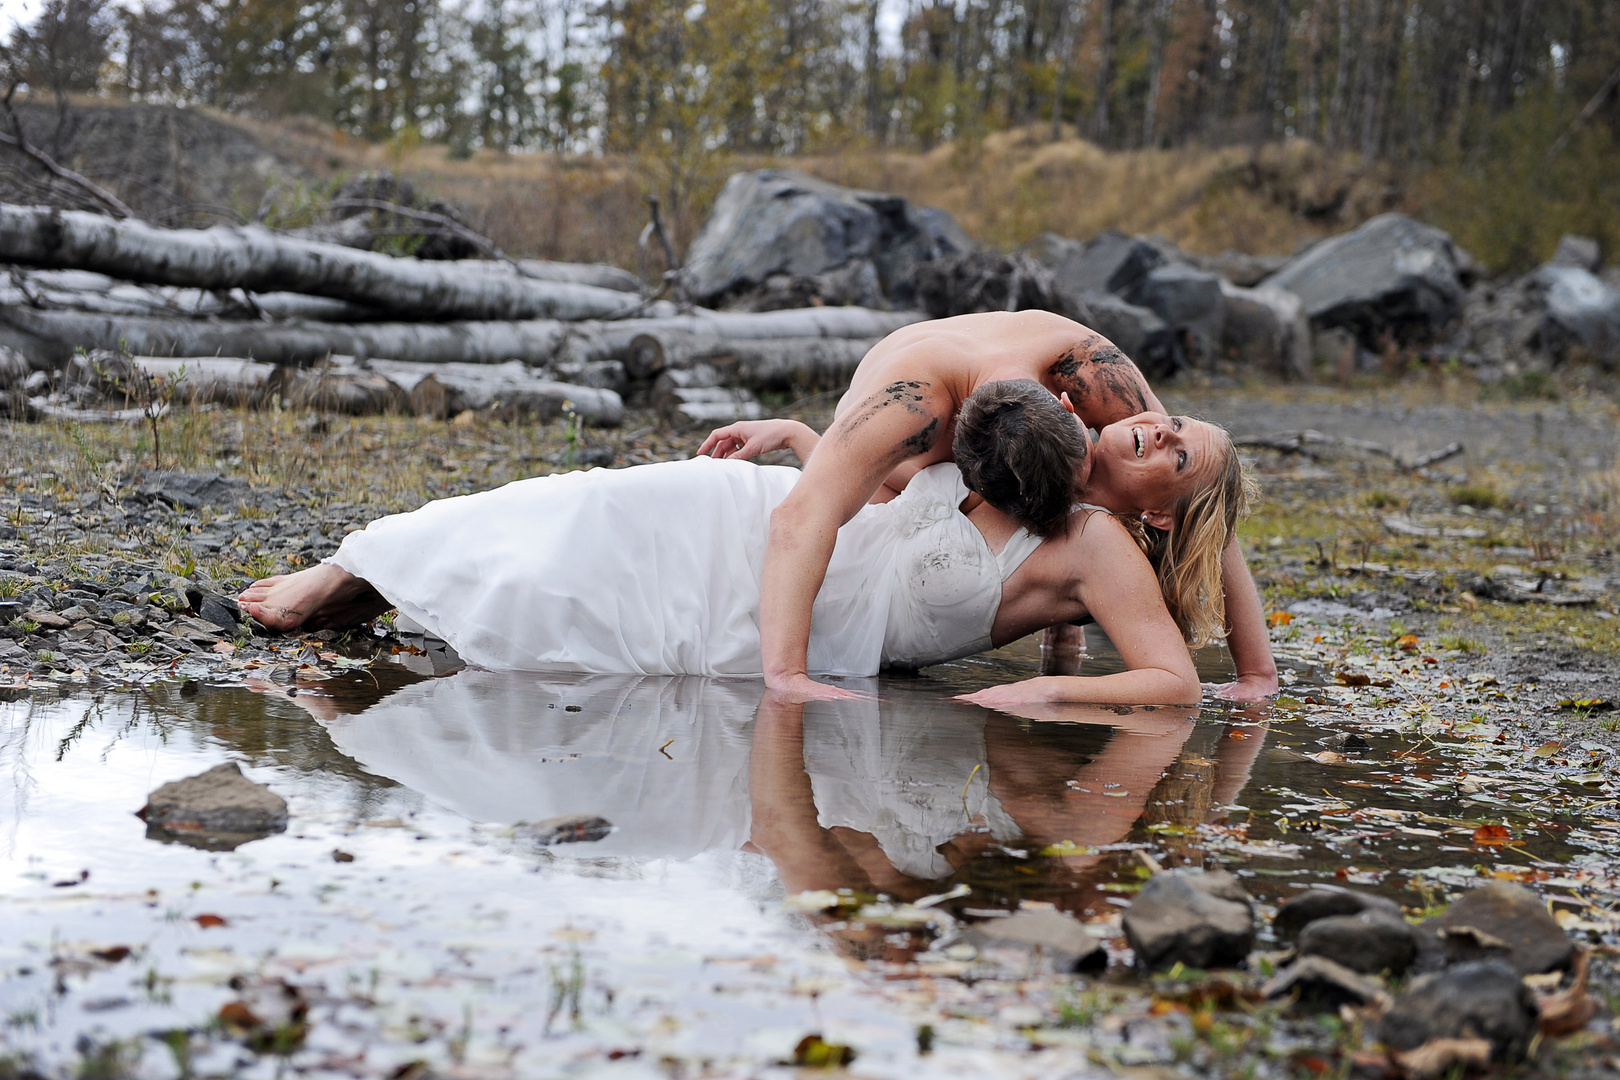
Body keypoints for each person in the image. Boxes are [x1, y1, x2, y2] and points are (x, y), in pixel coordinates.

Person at [237, 384, 1243, 705]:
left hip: (817, 611)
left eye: (1178, 454)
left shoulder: (1100, 541)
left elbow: (1170, 683)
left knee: (599, 587)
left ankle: (365, 582)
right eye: (1170, 421)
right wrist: (798, 439)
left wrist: (1039, 692)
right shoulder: (1032, 441)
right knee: (595, 502)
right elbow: (896, 495)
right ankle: (358, 567)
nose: (1159, 430)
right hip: (785, 525)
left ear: (1164, 511)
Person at [721, 309, 1276, 704]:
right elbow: (806, 518)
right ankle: (1067, 601)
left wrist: (1256, 671)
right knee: (913, 513)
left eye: (1079, 449)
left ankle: (1069, 609)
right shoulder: (917, 411)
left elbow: (1208, 504)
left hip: (1001, 410)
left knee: (1152, 494)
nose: (1161, 433)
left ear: (1070, 408)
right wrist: (786, 677)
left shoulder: (1098, 381)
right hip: (891, 424)